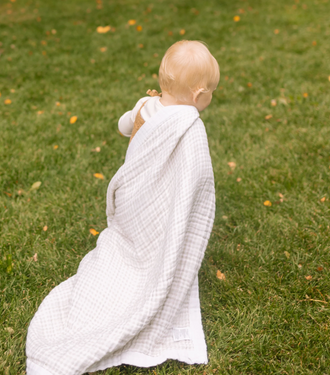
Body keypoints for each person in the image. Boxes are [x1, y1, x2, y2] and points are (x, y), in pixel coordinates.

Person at [26, 40, 219, 375]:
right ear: (198, 94)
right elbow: (195, 175)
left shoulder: (145, 106)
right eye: (211, 92)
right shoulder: (188, 126)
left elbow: (123, 126)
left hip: (131, 198)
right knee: (154, 244)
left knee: (127, 237)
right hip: (155, 203)